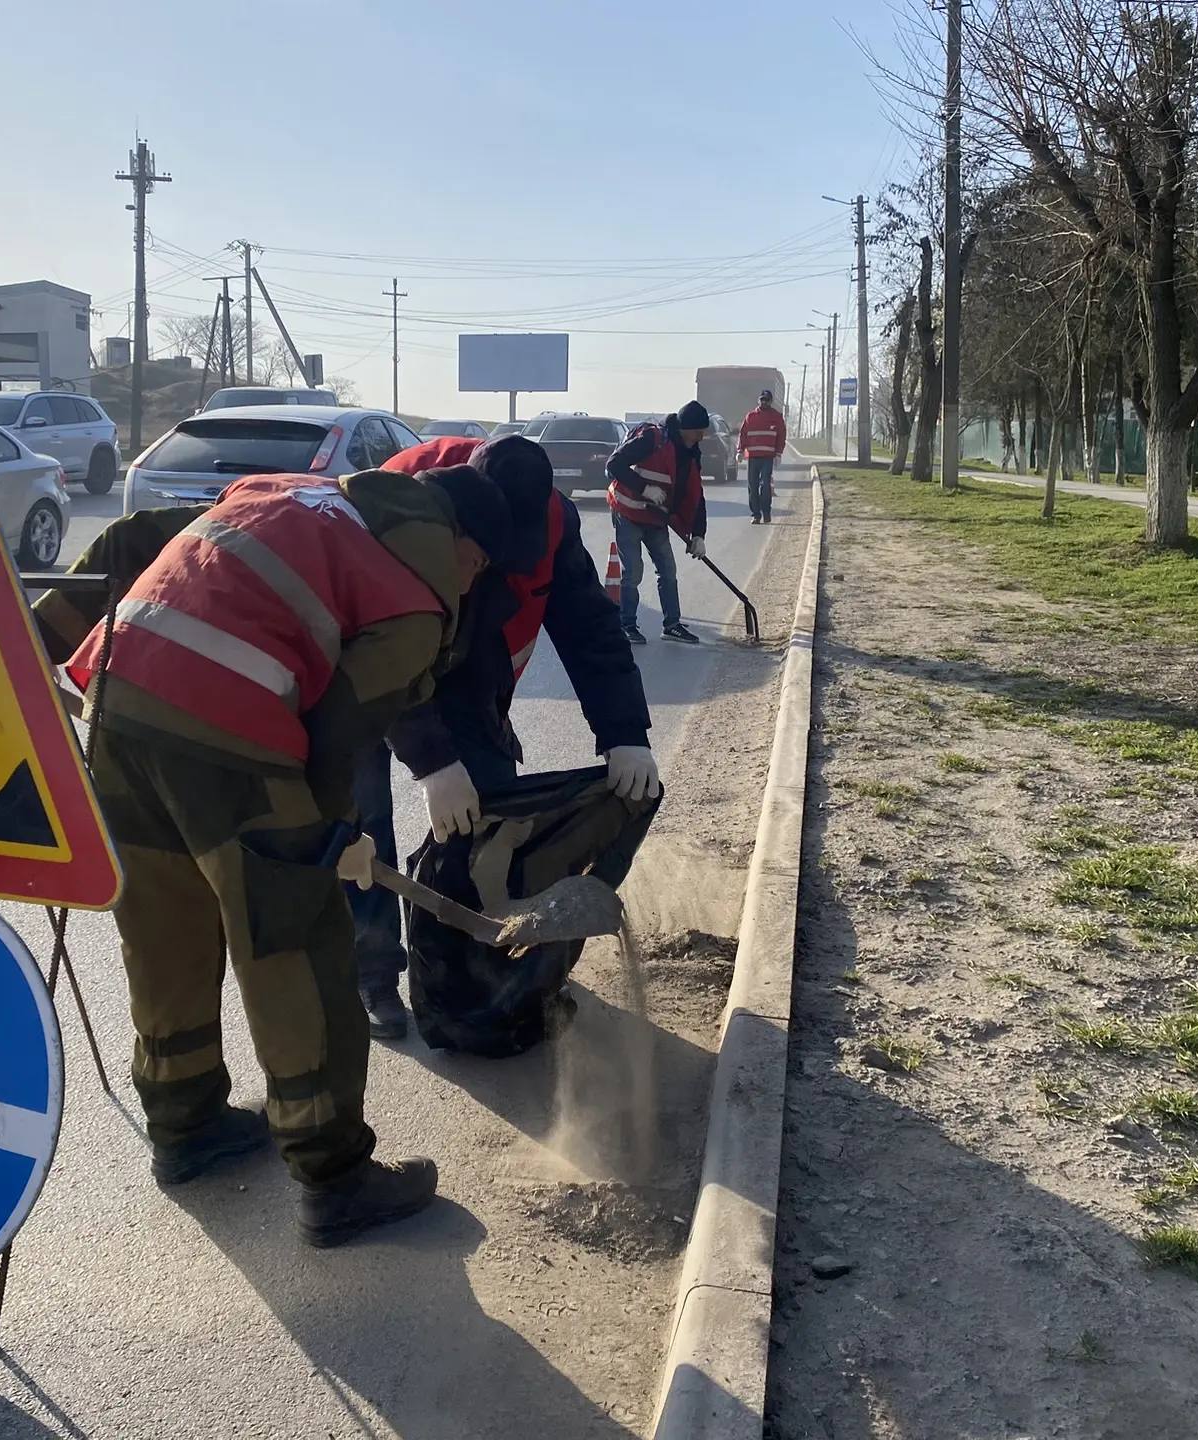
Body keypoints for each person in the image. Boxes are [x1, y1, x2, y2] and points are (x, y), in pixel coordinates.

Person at [38, 463, 511, 1247]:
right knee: (294, 942)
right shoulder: (415, 600)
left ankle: (184, 1125)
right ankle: (335, 1174)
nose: (472, 580)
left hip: (118, 710)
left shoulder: (287, 497)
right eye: (479, 564)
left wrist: (36, 632)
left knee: (166, 928)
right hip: (228, 735)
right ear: (466, 549)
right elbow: (337, 735)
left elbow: (132, 541)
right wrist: (333, 836)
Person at [344, 435, 658, 1040]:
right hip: (365, 672)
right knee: (363, 824)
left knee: (491, 822)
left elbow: (591, 627)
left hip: (470, 674)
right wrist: (433, 762)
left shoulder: (554, 519)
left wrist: (625, 733)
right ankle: (371, 969)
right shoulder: (405, 514)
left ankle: (487, 973)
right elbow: (370, 648)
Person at [605, 400, 710, 645]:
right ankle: (626, 625)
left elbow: (696, 494)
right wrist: (645, 489)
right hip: (628, 512)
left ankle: (672, 625)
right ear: (686, 428)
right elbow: (615, 464)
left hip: (655, 517)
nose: (702, 437)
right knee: (632, 571)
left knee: (668, 570)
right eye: (699, 431)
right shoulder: (653, 439)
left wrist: (699, 534)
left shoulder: (691, 453)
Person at [738, 388, 788, 524]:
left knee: (765, 485)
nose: (764, 402)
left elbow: (781, 436)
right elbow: (743, 434)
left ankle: (766, 513)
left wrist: (778, 453)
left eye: (766, 400)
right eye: (762, 400)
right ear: (758, 400)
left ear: (770, 401)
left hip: (768, 457)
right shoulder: (750, 417)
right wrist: (740, 451)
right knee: (753, 486)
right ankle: (756, 514)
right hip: (753, 457)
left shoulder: (776, 417)